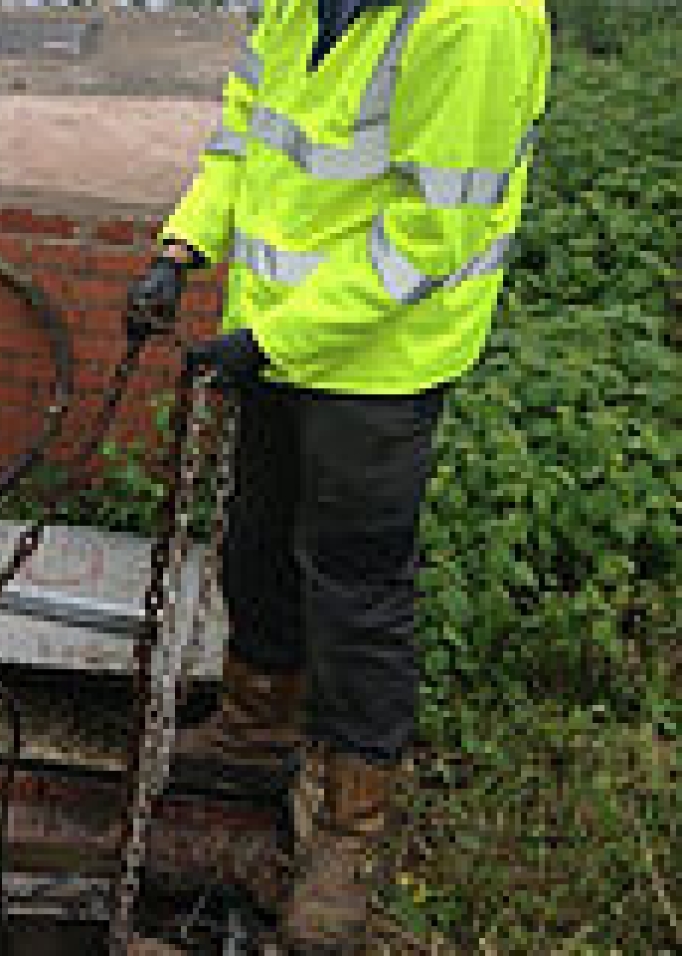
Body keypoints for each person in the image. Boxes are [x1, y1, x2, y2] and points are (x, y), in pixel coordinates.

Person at [125, 0, 548, 949]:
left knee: (355, 590)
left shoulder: (474, 24)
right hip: (278, 337)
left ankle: (349, 831)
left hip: (380, 364)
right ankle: (255, 726)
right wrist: (181, 249)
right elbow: (246, 136)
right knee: (257, 543)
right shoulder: (300, 5)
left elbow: (431, 237)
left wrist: (273, 339)